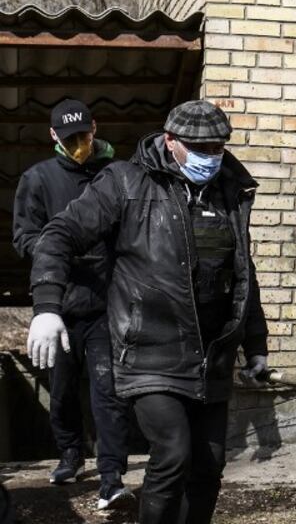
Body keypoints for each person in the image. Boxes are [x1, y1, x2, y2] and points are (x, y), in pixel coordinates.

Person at [27, 100, 269, 524]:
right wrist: (47, 307)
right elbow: (59, 235)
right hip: (149, 350)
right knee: (173, 453)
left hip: (211, 357)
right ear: (170, 140)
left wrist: (256, 344)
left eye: (218, 147)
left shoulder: (230, 191)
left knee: (209, 464)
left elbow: (242, 272)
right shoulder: (125, 182)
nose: (211, 156)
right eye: (199, 148)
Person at [15, 99, 132, 509]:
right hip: (61, 305)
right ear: (53, 136)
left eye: (83, 135)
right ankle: (70, 454)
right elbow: (24, 237)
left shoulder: (115, 175)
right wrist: (60, 251)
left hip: (106, 303)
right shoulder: (38, 179)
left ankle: (112, 475)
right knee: (62, 390)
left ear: (94, 128)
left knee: (108, 391)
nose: (79, 143)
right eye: (69, 139)